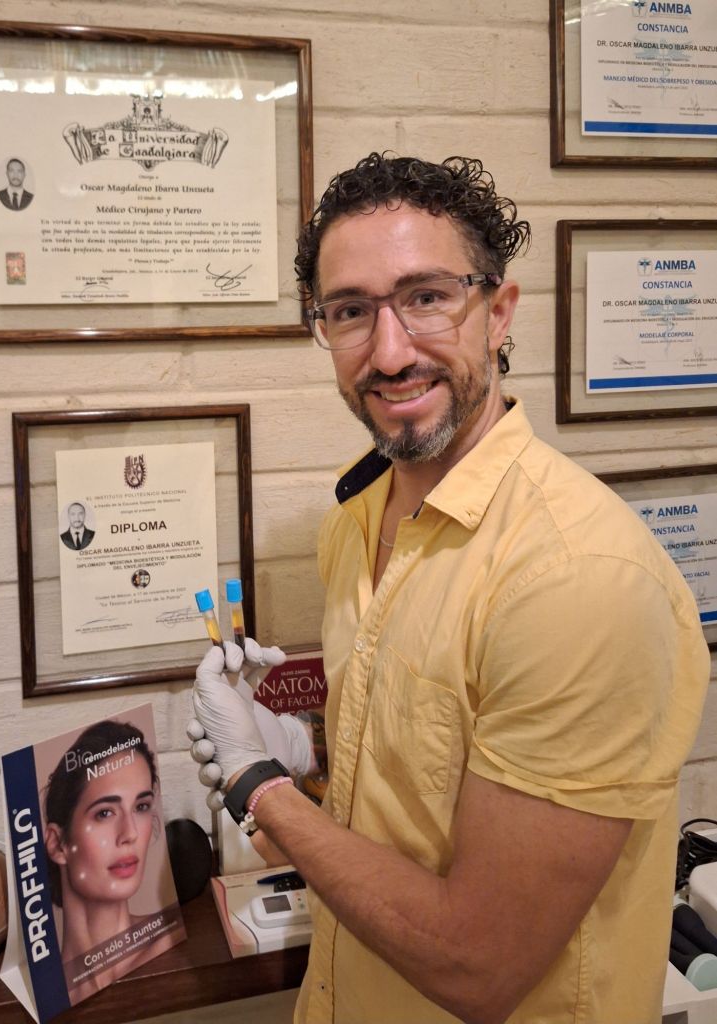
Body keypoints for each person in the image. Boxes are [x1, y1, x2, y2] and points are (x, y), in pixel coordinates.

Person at [188, 153, 710, 1024]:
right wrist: (309, 758)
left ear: (497, 313)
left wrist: (257, 785)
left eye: (427, 297)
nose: (389, 352)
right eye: (350, 311)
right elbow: (416, 781)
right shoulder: (354, 524)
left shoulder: (576, 578)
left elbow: (480, 964)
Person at [43, 719, 173, 1002]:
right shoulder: (51, 994)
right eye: (104, 813)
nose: (130, 833)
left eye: (141, 806)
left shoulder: (169, 943)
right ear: (58, 844)